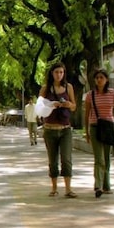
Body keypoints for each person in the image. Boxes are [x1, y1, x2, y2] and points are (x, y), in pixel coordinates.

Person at [83, 69, 114, 198]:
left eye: (101, 77)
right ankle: (98, 185)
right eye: (97, 78)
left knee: (107, 157)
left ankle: (106, 185)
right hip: (95, 126)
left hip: (108, 127)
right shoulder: (91, 95)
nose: (99, 80)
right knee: (99, 158)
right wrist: (87, 131)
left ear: (106, 79)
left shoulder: (113, 93)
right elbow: (86, 114)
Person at [39, 61, 77, 198]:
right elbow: (40, 108)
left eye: (61, 72)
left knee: (66, 159)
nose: (59, 75)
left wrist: (68, 104)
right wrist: (51, 105)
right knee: (53, 160)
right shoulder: (45, 88)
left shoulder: (69, 87)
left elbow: (74, 106)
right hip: (50, 129)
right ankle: (54, 188)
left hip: (65, 129)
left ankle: (68, 188)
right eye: (56, 72)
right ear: (51, 73)